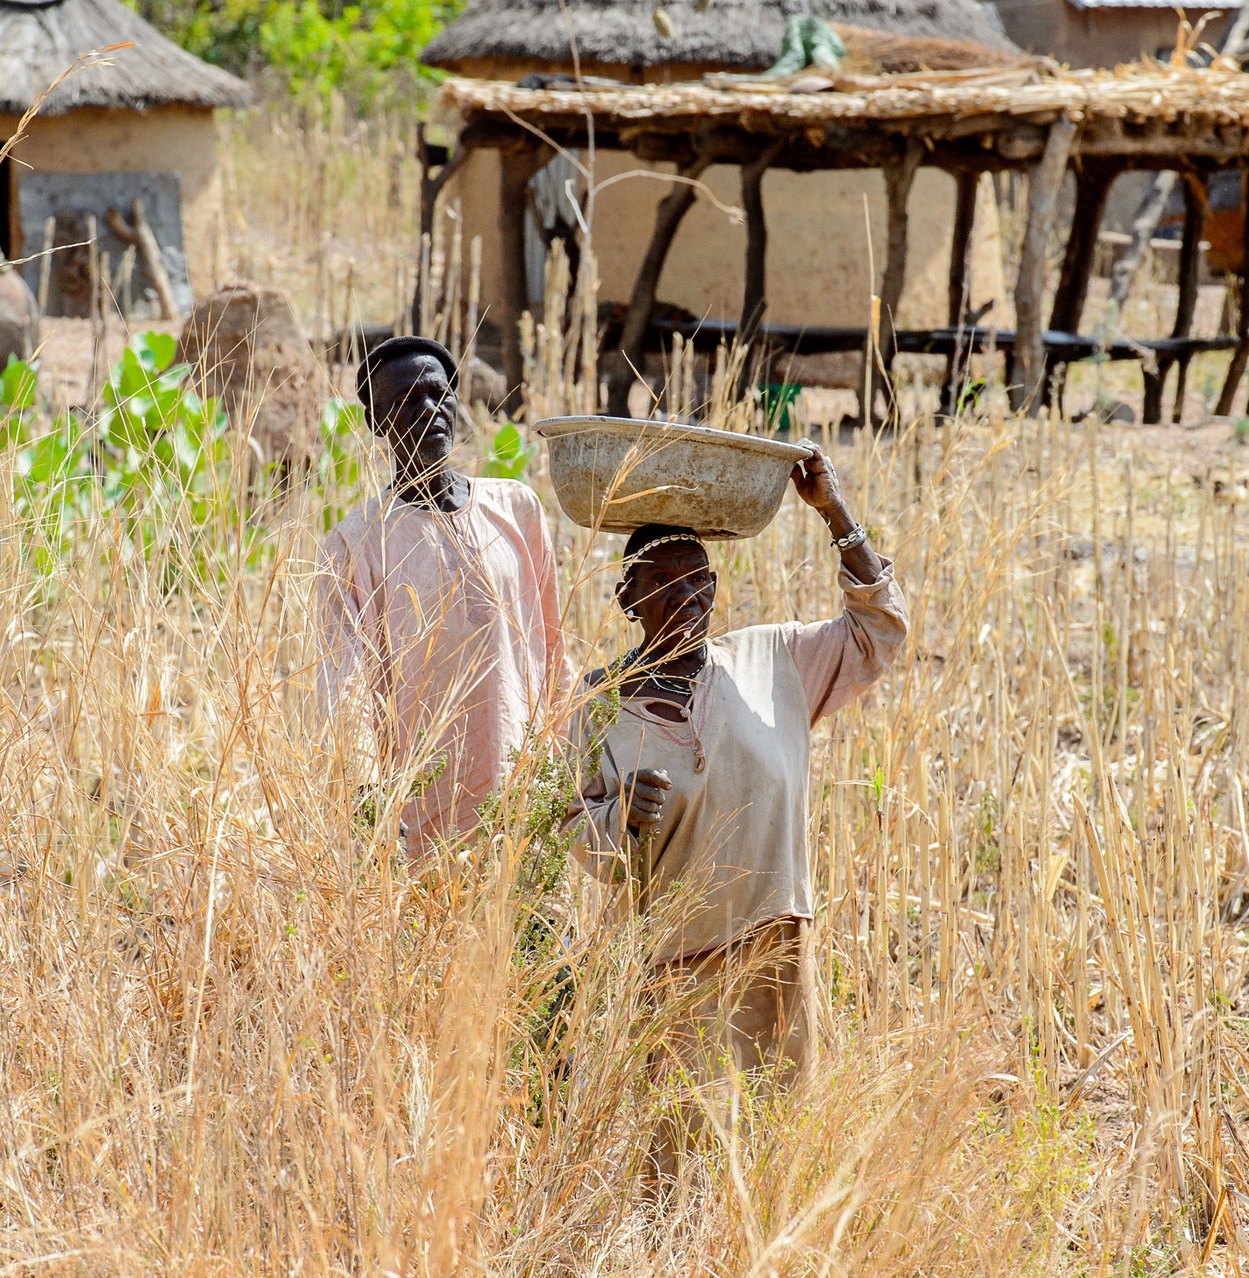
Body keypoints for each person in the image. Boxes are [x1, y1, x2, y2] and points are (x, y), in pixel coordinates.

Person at [563, 444, 907, 1178]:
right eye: (662, 583)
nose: (688, 597)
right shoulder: (596, 706)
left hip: (774, 951)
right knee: (679, 1164)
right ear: (627, 598)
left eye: (699, 581)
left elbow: (880, 634)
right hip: (670, 971)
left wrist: (834, 509)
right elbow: (573, 834)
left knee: (777, 1155)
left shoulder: (774, 660)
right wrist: (620, 815)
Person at [316, 335, 565, 858]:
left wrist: (567, 766)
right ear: (378, 424)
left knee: (530, 929)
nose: (429, 410)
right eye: (407, 400)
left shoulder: (518, 509)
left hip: (523, 795)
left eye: (438, 393)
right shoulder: (356, 542)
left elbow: (552, 647)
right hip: (419, 809)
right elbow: (347, 682)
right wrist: (367, 796)